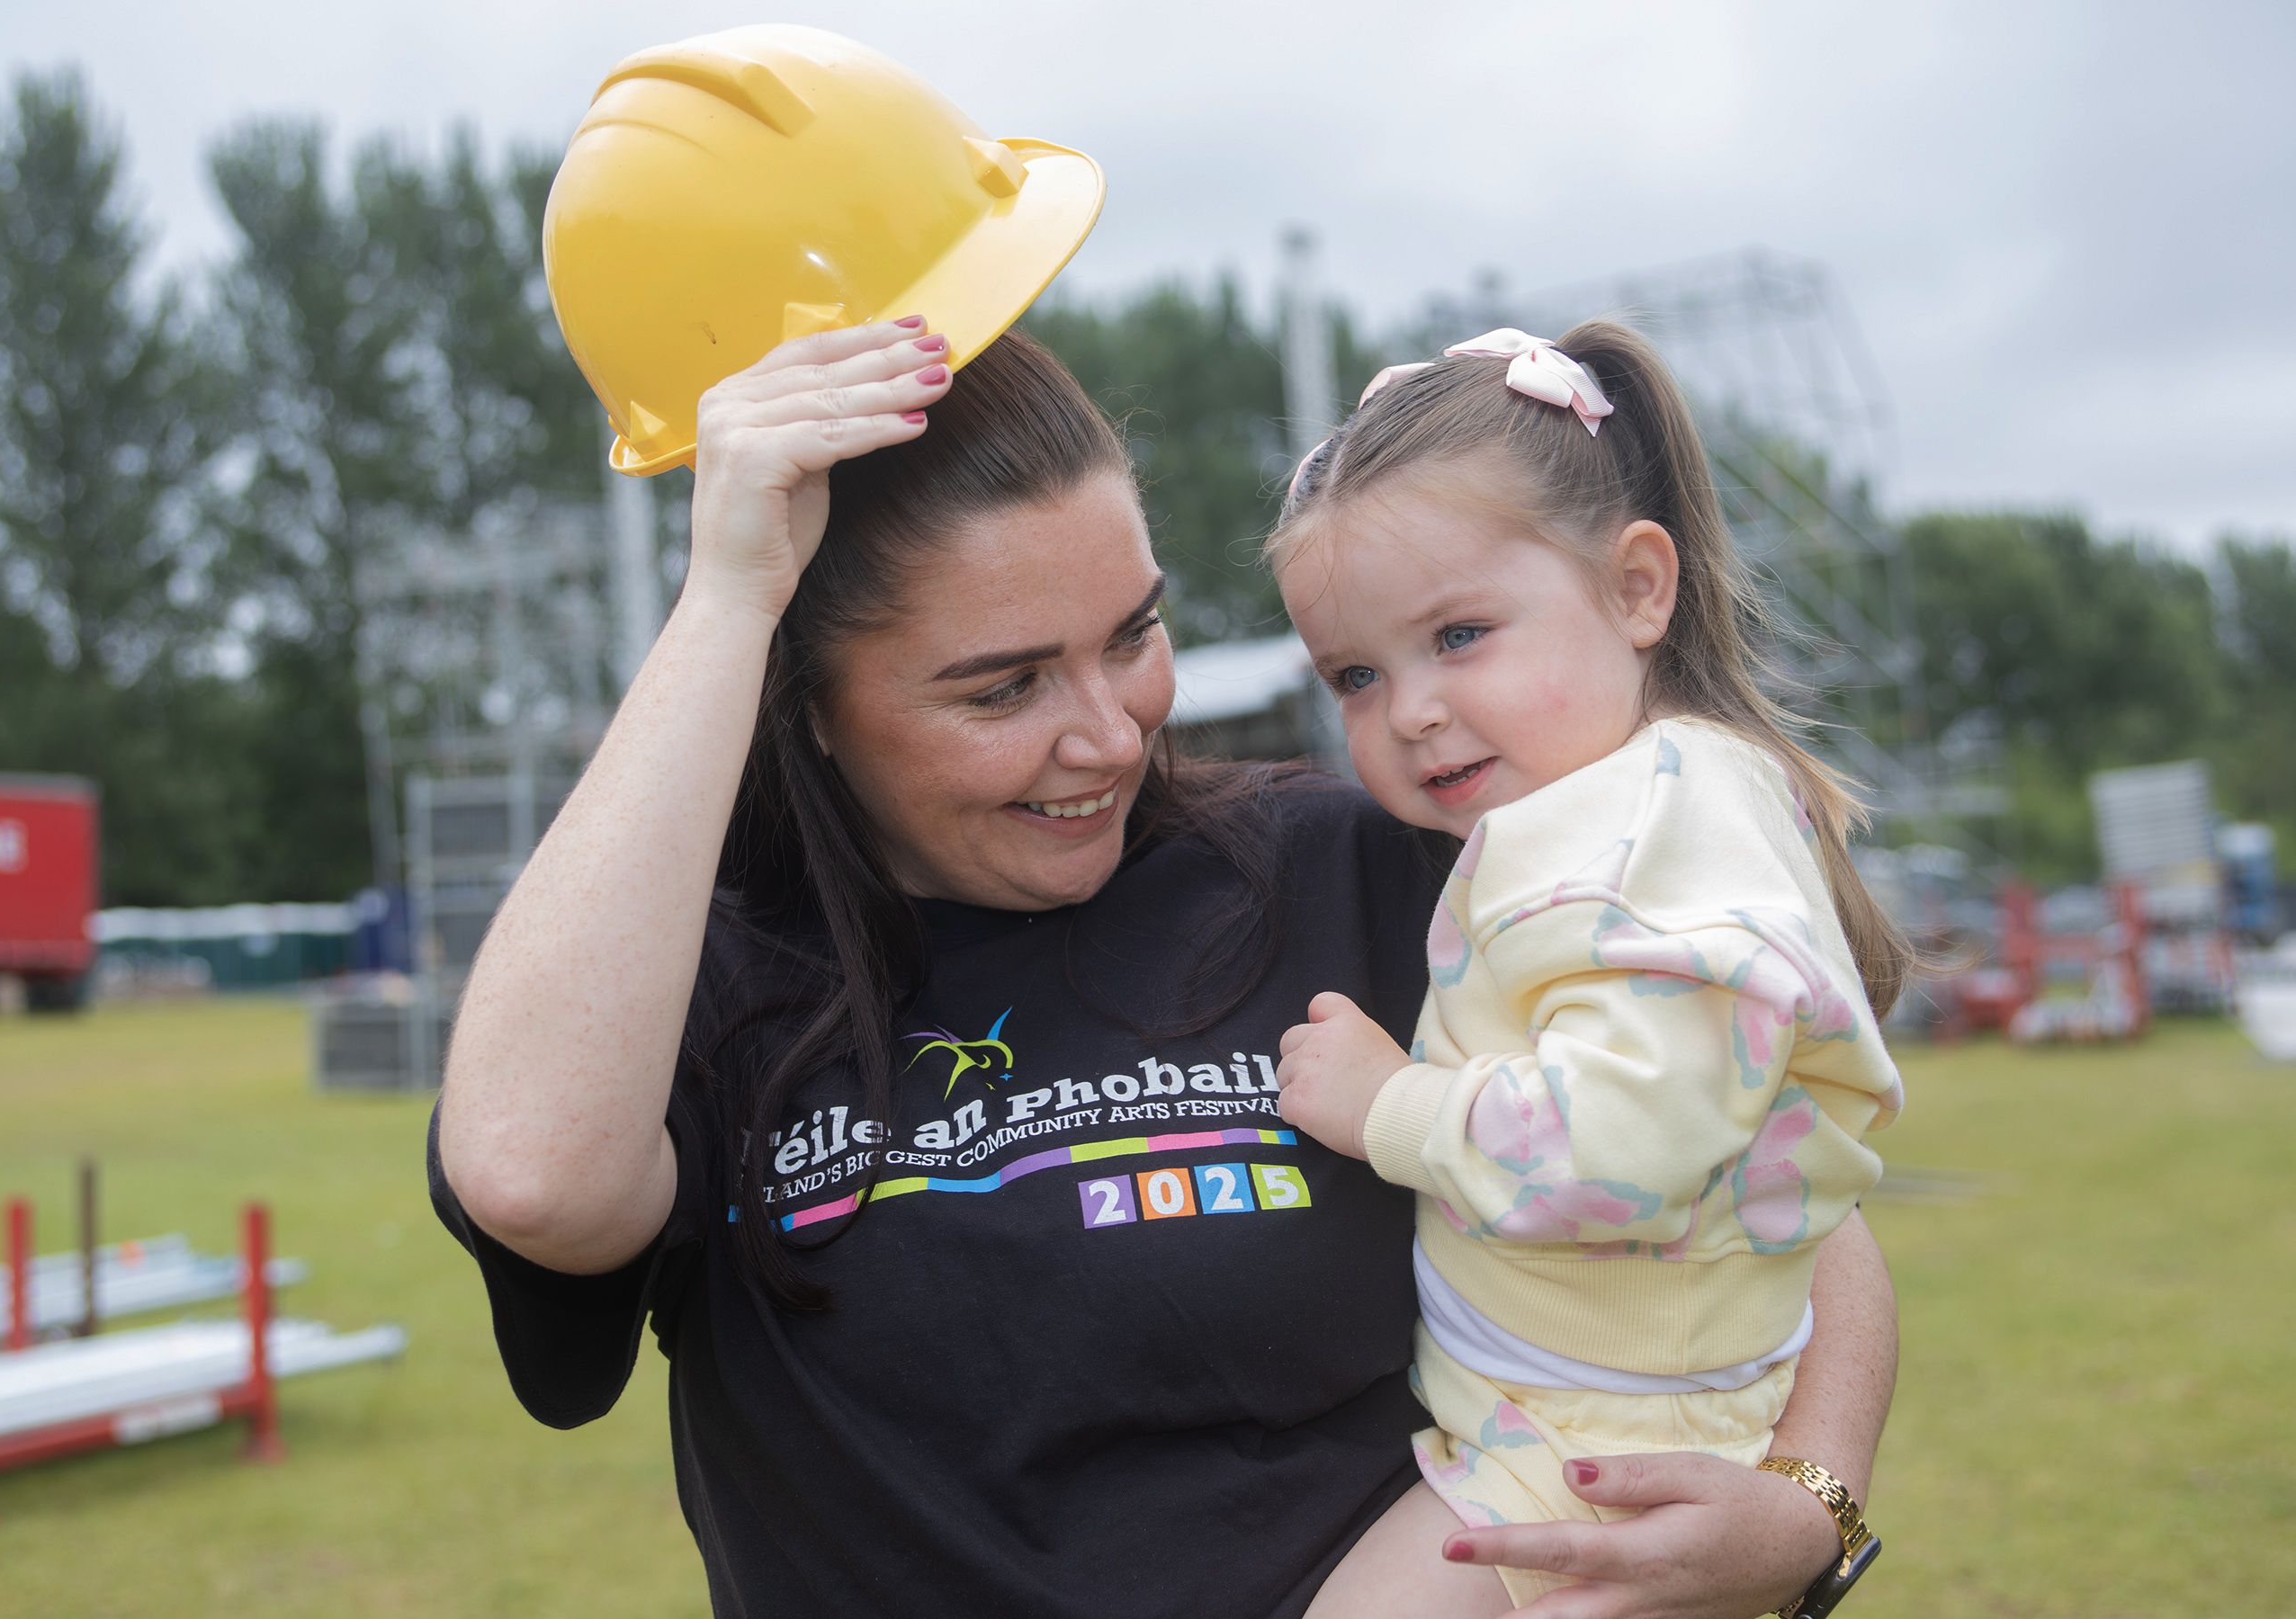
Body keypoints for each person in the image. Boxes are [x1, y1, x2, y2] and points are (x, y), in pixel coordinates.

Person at [430, 315, 1899, 1617]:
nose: (1111, 734)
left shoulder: (1362, 865)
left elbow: (1753, 1167)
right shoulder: (706, 987)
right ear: (806, 706)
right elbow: (536, 1178)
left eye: (1132, 634)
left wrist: (1808, 1506)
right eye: (1002, 687)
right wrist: (726, 599)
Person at [1269, 323, 1906, 1615]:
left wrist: (1389, 1103)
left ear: (1636, 590)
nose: (1411, 710)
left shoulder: (1630, 841)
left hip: (1591, 1456)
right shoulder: (1636, 809)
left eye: (1459, 634)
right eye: (1356, 672)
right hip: (1580, 1418)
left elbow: (1620, 1149)